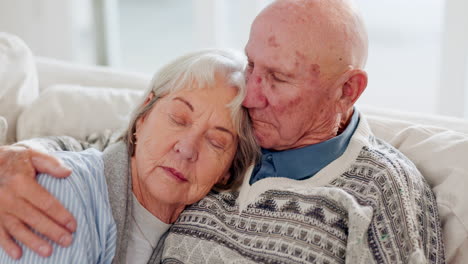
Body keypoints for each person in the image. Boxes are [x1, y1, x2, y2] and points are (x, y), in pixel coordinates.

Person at [0, 0, 445, 263]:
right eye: (252, 65)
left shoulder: (385, 191)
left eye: (279, 78)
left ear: (348, 89)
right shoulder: (238, 121)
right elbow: (116, 149)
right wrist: (22, 155)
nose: (251, 94)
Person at [0, 49, 259, 263]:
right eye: (178, 119)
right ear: (143, 117)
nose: (187, 148)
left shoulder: (202, 238)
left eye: (216, 142)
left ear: (227, 170)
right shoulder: (56, 194)